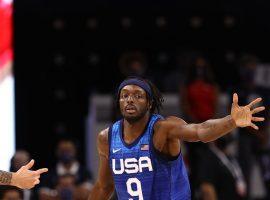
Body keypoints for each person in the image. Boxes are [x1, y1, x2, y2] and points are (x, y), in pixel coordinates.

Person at [88, 77, 265, 200]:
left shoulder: (163, 129)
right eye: (124, 95)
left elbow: (200, 131)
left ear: (149, 103)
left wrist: (232, 121)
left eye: (138, 95)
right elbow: (104, 187)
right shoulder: (107, 137)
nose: (130, 100)